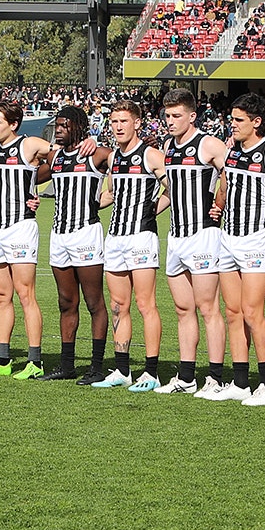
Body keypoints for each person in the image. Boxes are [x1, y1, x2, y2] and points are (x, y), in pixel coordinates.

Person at [200, 93, 265, 406]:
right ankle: (239, 382)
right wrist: (219, 203)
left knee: (253, 313)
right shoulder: (231, 150)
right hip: (228, 238)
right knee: (233, 312)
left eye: (239, 120)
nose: (232, 125)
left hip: (256, 239)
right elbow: (224, 182)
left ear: (256, 122)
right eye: (232, 119)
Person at [0, 100, 52, 379]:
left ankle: (35, 361)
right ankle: (2, 359)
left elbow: (61, 155)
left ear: (13, 125)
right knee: (1, 296)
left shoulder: (29, 146)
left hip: (21, 229)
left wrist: (36, 189)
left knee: (26, 295)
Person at [159, 89, 228, 396]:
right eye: (167, 116)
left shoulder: (208, 144)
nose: (170, 121)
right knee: (182, 308)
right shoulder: (167, 146)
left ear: (191, 116)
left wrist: (221, 200)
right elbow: (171, 190)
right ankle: (186, 377)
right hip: (176, 236)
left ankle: (215, 377)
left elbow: (234, 171)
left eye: (176, 116)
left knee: (208, 308)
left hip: (203, 235)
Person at [93, 100, 166, 393]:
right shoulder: (113, 159)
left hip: (141, 237)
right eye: (114, 122)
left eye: (123, 121)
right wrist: (89, 205)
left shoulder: (150, 156)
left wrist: (151, 211)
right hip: (115, 238)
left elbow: (174, 189)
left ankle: (151, 371)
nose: (118, 127)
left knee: (145, 304)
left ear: (137, 123)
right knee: (118, 306)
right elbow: (112, 193)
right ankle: (122, 369)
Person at [41, 105, 108, 383]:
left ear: (79, 127)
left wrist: (98, 141)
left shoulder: (96, 154)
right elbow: (28, 176)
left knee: (94, 302)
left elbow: (130, 161)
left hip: (85, 234)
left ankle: (96, 366)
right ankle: (67, 365)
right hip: (59, 235)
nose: (58, 129)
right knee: (66, 302)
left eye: (65, 125)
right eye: (57, 125)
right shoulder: (55, 157)